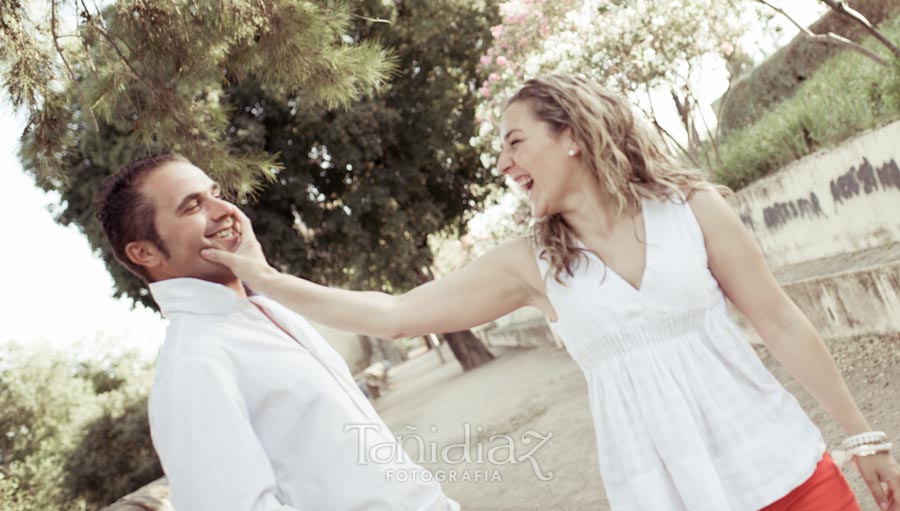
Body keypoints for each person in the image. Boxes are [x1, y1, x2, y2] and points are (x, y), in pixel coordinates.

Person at [201, 74, 900, 511]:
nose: (504, 164)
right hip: (667, 493)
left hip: (782, 464)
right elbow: (394, 313)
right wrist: (264, 277)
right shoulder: (529, 265)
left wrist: (863, 433)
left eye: (515, 142)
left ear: (570, 136)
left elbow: (780, 322)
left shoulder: (693, 211)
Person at [94, 153, 460, 511]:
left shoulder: (272, 311)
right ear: (144, 252)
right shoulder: (193, 364)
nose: (225, 211)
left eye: (216, 194)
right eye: (192, 206)